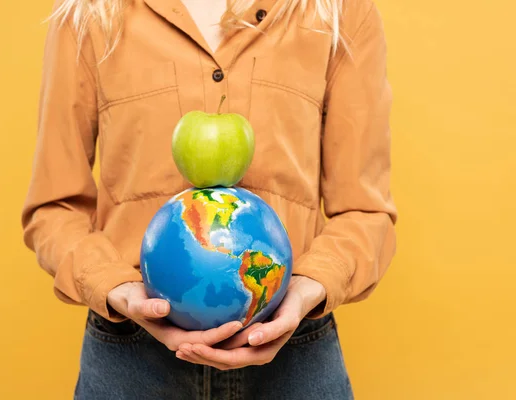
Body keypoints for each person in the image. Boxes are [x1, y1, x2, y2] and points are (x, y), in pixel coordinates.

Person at [21, 0, 397, 398]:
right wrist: (114, 287)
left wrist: (307, 290)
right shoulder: (89, 14)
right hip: (130, 360)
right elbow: (54, 207)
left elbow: (365, 210)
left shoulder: (342, 12)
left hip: (295, 358)